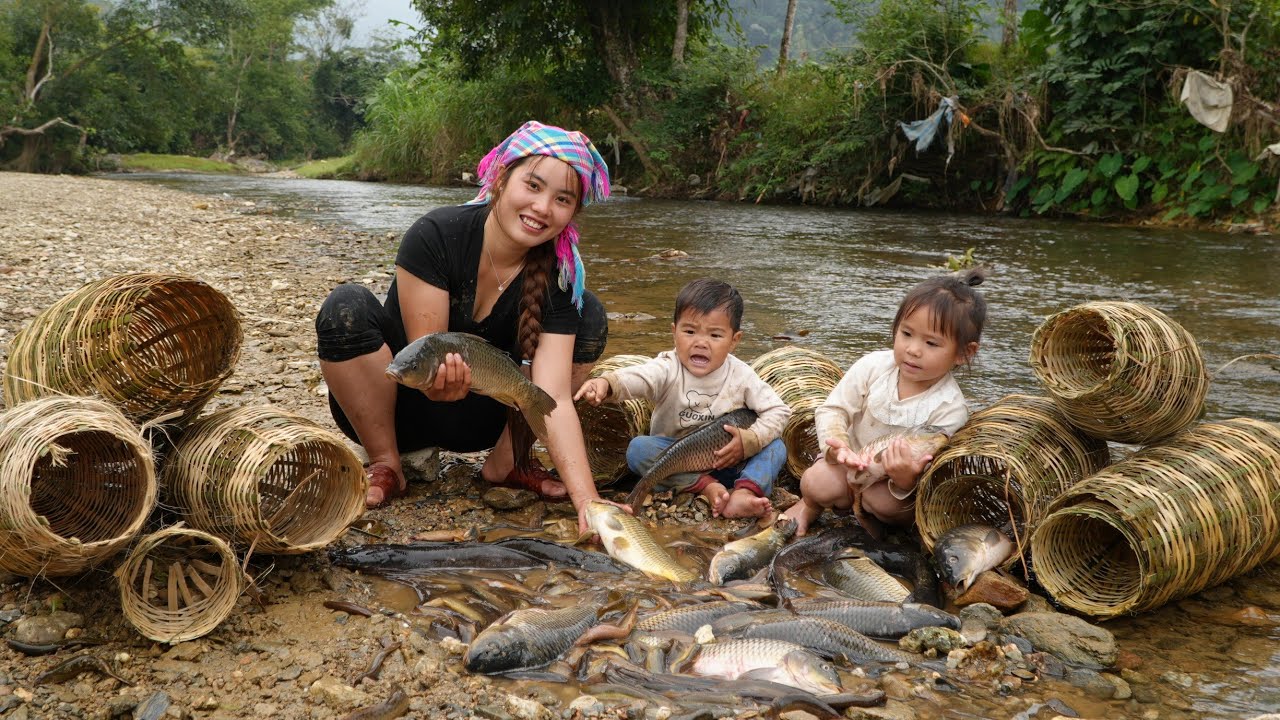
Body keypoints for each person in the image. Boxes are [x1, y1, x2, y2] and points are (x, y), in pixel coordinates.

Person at [315, 120, 615, 532]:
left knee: (591, 313)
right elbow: (428, 355)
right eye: (533, 186)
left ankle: (507, 463)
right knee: (344, 306)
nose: (543, 207)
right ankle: (387, 464)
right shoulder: (437, 234)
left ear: (572, 213)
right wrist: (434, 382)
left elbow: (555, 399)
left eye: (562, 199)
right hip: (399, 405)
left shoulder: (560, 279)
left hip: (481, 421)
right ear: (501, 181)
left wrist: (589, 503)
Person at [782, 268, 988, 536]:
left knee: (887, 505)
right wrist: (837, 446)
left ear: (963, 353)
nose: (913, 349)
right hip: (849, 465)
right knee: (815, 482)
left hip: (893, 487)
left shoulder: (950, 407)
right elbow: (833, 409)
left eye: (931, 343)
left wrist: (905, 477)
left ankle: (876, 525)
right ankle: (809, 506)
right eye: (906, 334)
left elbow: (934, 467)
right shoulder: (873, 366)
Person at [575, 279, 791, 519]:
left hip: (733, 462)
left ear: (734, 340)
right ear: (674, 332)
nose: (700, 342)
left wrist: (750, 441)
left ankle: (745, 492)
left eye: (715, 335)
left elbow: (779, 411)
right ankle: (705, 487)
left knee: (776, 446)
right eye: (689, 331)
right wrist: (607, 383)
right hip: (676, 462)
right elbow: (641, 377)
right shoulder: (668, 367)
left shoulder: (742, 375)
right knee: (638, 449)